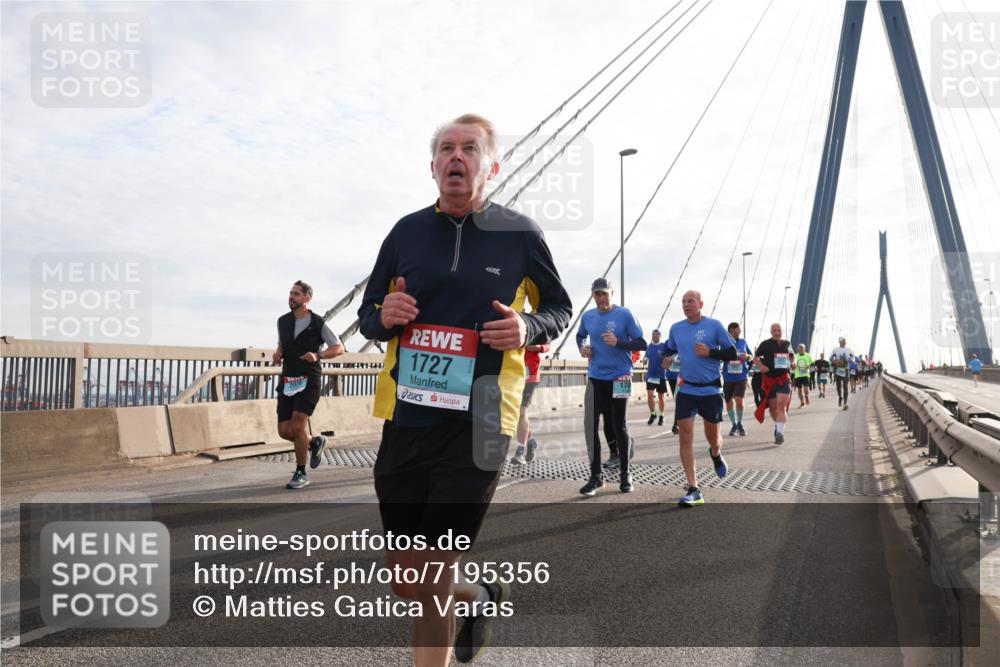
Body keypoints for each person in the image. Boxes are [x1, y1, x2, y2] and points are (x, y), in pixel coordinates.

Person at [357, 113, 572, 666]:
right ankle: (476, 597)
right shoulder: (406, 232)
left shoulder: (520, 234)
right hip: (406, 420)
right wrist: (387, 314)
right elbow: (367, 315)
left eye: (469, 149)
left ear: (490, 166)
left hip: (479, 424)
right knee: (409, 583)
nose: (457, 157)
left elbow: (558, 307)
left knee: (431, 571)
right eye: (446, 149)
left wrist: (527, 327)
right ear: (432, 167)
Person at [660, 290, 735, 507]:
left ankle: (716, 453)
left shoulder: (714, 325)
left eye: (690, 301)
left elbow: (732, 354)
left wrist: (710, 352)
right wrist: (666, 358)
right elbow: (669, 349)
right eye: (683, 302)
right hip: (686, 389)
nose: (686, 305)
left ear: (700, 304)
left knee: (714, 438)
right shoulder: (676, 328)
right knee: (685, 437)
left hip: (710, 390)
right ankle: (694, 488)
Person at [577, 278, 646, 495]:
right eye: (597, 294)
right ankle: (596, 477)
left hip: (621, 376)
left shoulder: (624, 314)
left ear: (612, 294)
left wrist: (619, 343)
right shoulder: (588, 316)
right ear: (593, 295)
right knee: (590, 425)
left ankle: (626, 475)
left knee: (619, 425)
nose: (601, 297)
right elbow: (580, 336)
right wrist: (583, 348)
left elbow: (641, 343)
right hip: (596, 377)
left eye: (605, 293)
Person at [273, 280, 345, 490]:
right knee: (284, 431)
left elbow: (339, 348)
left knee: (298, 426)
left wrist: (318, 354)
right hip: (288, 379)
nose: (291, 297)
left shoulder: (318, 323)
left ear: (307, 298)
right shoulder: (282, 321)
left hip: (309, 380)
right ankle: (315, 443)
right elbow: (281, 345)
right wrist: (278, 354)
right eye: (290, 293)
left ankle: (301, 472)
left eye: (296, 294)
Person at [511, 342, 551, 465]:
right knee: (518, 413)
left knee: (521, 412)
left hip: (530, 376)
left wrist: (539, 347)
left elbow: (547, 344)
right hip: (514, 375)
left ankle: (520, 451)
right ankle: (530, 442)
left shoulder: (537, 324)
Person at [753, 323, 793, 445]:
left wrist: (794, 362)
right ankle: (778, 425)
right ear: (771, 332)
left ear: (782, 331)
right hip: (770, 380)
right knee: (773, 409)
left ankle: (780, 433)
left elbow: (792, 356)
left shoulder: (787, 344)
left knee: (781, 407)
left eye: (779, 330)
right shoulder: (765, 344)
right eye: (774, 330)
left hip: (784, 379)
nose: (777, 332)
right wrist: (761, 366)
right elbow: (755, 357)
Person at [722, 321, 752, 436]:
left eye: (738, 329)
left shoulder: (743, 342)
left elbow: (751, 356)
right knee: (729, 402)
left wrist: (748, 357)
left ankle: (740, 423)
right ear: (729, 331)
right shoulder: (724, 343)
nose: (736, 331)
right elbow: (719, 356)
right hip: (728, 377)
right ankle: (734, 425)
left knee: (739, 400)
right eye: (733, 329)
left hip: (741, 376)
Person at [644, 329, 669, 426]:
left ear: (660, 336)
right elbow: (646, 357)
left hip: (661, 375)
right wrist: (645, 359)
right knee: (650, 395)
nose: (654, 336)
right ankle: (653, 413)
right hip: (650, 375)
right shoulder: (649, 346)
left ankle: (662, 415)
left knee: (661, 397)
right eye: (653, 334)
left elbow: (668, 357)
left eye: (656, 334)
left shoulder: (663, 346)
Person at [830, 338, 853, 410]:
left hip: (845, 369)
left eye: (845, 341)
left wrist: (849, 361)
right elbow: (831, 358)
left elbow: (852, 358)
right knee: (838, 386)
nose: (845, 342)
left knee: (845, 386)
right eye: (843, 341)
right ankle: (840, 397)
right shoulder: (835, 349)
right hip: (838, 369)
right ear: (839, 342)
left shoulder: (849, 349)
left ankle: (845, 403)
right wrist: (836, 362)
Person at [792, 343, 813, 408]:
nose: (801, 349)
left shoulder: (808, 355)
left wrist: (809, 366)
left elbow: (812, 364)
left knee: (806, 389)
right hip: (798, 375)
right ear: (798, 349)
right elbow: (792, 365)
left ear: (804, 349)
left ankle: (806, 396)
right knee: (799, 390)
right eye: (800, 348)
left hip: (806, 375)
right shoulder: (795, 356)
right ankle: (802, 402)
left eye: (802, 348)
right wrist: (793, 366)